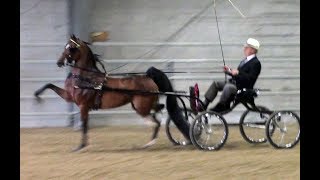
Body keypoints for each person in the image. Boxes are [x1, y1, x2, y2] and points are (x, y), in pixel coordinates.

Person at [202, 38, 262, 112]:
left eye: (247, 47)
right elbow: (237, 74)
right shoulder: (245, 60)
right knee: (216, 83)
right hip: (235, 84)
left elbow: (250, 79)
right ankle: (204, 104)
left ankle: (222, 105)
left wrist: (238, 73)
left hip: (243, 88)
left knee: (228, 87)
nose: (244, 48)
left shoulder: (256, 63)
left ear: (253, 50)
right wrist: (229, 71)